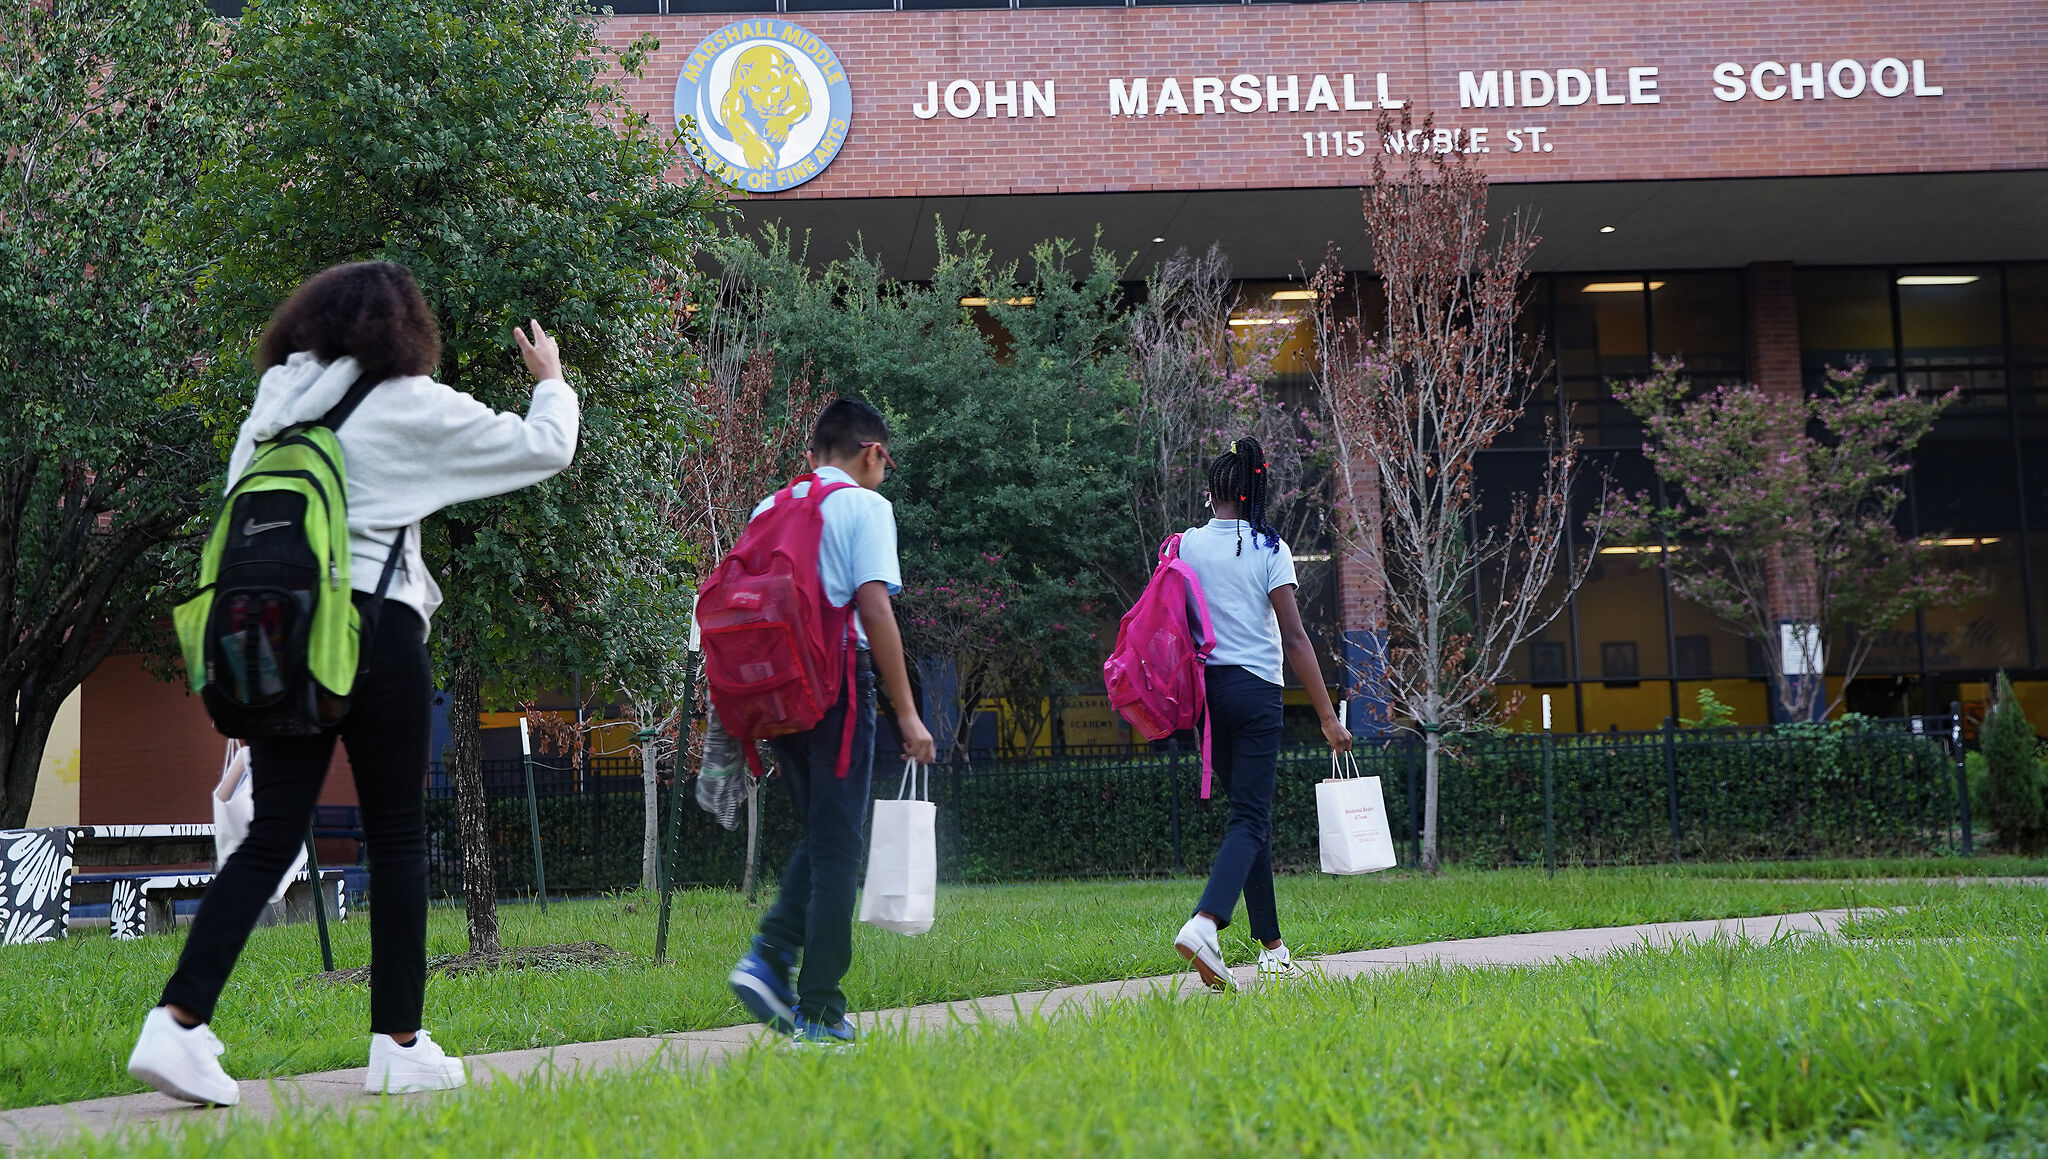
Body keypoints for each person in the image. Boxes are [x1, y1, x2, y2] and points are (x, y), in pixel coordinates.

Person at [126, 261, 579, 1105]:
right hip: (375, 630)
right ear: (405, 328)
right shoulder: (406, 401)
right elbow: (545, 446)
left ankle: (177, 1024)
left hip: (280, 637)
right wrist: (550, 383)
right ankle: (398, 1042)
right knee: (399, 835)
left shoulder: (271, 406)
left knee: (270, 837)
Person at [726, 399, 936, 1046]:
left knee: (826, 834)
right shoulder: (866, 508)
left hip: (776, 693)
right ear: (872, 452)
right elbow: (875, 610)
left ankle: (771, 957)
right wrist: (907, 713)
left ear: (812, 453)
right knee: (841, 846)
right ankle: (817, 1005)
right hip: (837, 683)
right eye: (885, 461)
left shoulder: (770, 507)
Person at [1170, 437, 1353, 990]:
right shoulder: (1269, 547)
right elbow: (1295, 638)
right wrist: (1326, 717)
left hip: (1207, 697)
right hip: (1255, 694)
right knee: (1250, 819)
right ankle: (1206, 922)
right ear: (1254, 490)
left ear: (1213, 492)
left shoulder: (1184, 546)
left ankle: (1273, 947)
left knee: (1250, 821)